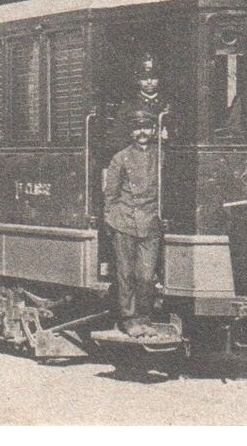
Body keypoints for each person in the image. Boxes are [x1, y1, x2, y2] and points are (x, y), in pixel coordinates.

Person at [104, 111, 162, 336]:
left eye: (146, 127)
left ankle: (144, 316)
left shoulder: (161, 156)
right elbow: (111, 193)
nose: (142, 133)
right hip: (125, 221)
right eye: (137, 128)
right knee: (125, 274)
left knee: (146, 276)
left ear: (154, 130)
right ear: (131, 132)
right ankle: (128, 318)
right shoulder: (121, 157)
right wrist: (111, 220)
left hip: (150, 222)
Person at [124, 53, 171, 138]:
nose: (149, 82)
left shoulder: (167, 104)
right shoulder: (128, 106)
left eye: (153, 77)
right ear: (137, 80)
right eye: (144, 78)